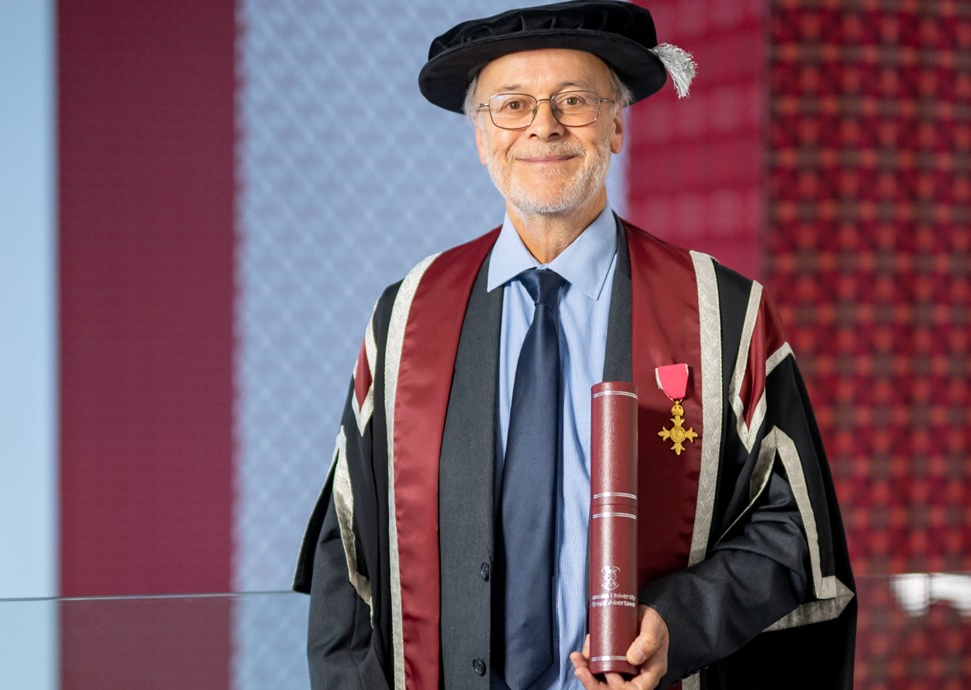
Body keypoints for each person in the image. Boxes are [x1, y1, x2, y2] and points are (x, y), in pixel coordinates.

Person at [293, 3, 856, 689]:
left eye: (574, 101)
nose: (544, 125)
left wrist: (680, 621)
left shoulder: (722, 314)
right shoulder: (407, 317)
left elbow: (793, 530)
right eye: (512, 105)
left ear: (616, 126)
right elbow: (347, 557)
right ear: (480, 137)